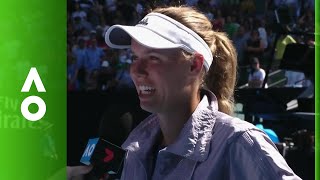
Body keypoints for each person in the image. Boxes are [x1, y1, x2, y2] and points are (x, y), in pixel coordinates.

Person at [70, 6, 301, 180]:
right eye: (135, 57)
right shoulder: (135, 146)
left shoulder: (240, 144)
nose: (136, 71)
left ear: (194, 65)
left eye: (153, 58)